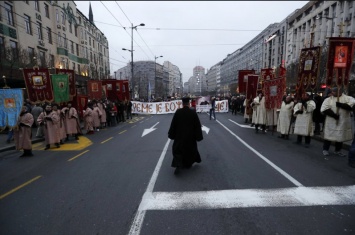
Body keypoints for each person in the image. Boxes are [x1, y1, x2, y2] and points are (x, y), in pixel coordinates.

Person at [168, 97, 203, 175]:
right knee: (190, 150)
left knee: (178, 150)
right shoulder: (193, 112)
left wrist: (171, 134)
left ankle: (178, 164)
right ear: (189, 103)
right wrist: (199, 136)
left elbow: (173, 124)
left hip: (179, 136)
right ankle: (188, 164)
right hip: (190, 137)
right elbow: (197, 126)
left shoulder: (178, 112)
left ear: (182, 103)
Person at [321, 87, 355, 157]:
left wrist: (341, 105)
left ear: (339, 92)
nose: (332, 93)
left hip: (342, 122)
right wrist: (333, 115)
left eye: (334, 92)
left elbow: (352, 105)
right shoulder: (328, 99)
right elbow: (324, 109)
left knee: (340, 137)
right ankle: (325, 149)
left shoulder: (347, 98)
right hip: (331, 122)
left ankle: (337, 150)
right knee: (329, 136)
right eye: (332, 92)